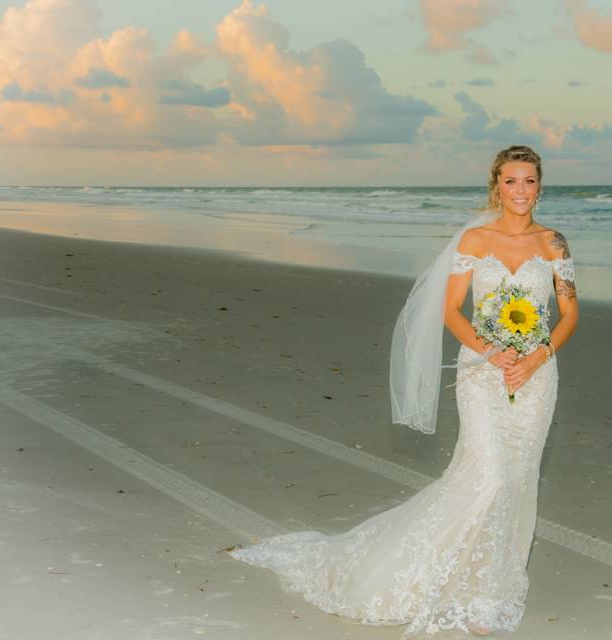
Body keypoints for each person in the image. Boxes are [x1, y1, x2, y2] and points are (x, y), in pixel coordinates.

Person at [228, 145, 579, 637]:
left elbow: (569, 314)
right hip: (483, 371)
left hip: (537, 375)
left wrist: (537, 356)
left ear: (540, 186)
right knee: (491, 475)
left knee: (519, 479)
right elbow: (453, 310)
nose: (521, 191)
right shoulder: (475, 241)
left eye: (529, 181)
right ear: (495, 186)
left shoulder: (554, 243)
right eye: (511, 181)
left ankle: (491, 589)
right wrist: (490, 352)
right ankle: (428, 575)